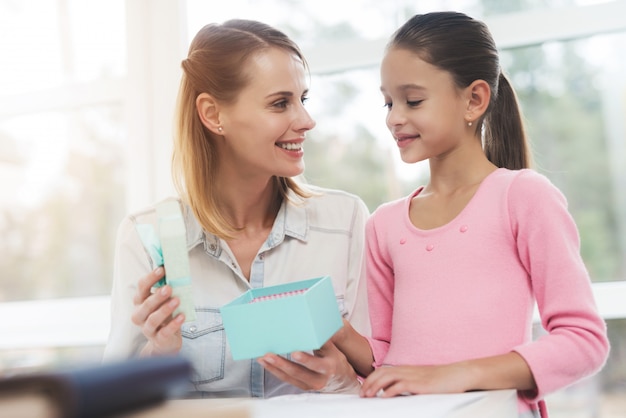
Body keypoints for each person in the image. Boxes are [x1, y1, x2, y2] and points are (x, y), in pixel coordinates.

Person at [313, 11, 609, 418]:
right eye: (388, 102)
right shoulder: (384, 224)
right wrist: (340, 334)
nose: (393, 117)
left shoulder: (523, 197)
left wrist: (454, 374)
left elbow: (583, 341)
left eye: (412, 100)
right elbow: (384, 360)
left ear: (474, 99)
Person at [103, 19, 370, 398]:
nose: (306, 121)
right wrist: (158, 352)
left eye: (302, 100)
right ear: (213, 115)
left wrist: (345, 381)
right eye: (280, 103)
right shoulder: (149, 238)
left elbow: (387, 373)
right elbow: (115, 402)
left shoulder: (345, 222)